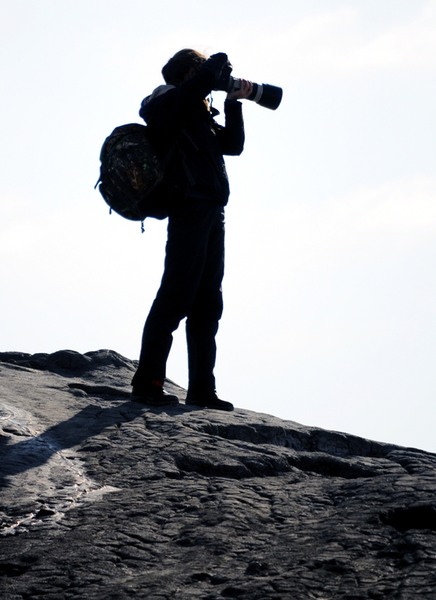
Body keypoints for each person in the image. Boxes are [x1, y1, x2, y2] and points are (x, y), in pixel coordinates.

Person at [131, 49, 252, 411]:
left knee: (208, 303)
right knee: (176, 296)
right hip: (189, 208)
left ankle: (202, 389)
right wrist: (219, 58)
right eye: (201, 71)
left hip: (212, 210)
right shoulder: (166, 103)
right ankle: (148, 382)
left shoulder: (196, 112)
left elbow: (233, 146)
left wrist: (233, 102)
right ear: (188, 73)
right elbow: (197, 85)